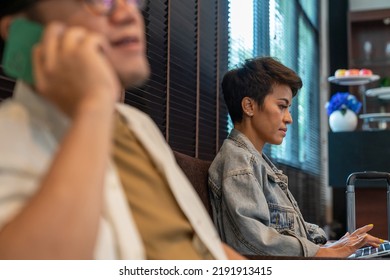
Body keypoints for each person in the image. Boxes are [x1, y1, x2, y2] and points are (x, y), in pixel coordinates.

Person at [0, 0, 244, 260]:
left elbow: (195, 243)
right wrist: (94, 102)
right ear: (21, 31)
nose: (128, 12)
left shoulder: (137, 125)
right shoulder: (10, 137)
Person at [208, 56, 384, 258]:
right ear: (249, 106)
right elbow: (252, 240)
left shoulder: (257, 161)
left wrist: (332, 243)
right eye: (282, 106)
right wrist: (323, 252)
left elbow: (283, 228)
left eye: (289, 108)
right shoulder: (238, 161)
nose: (289, 118)